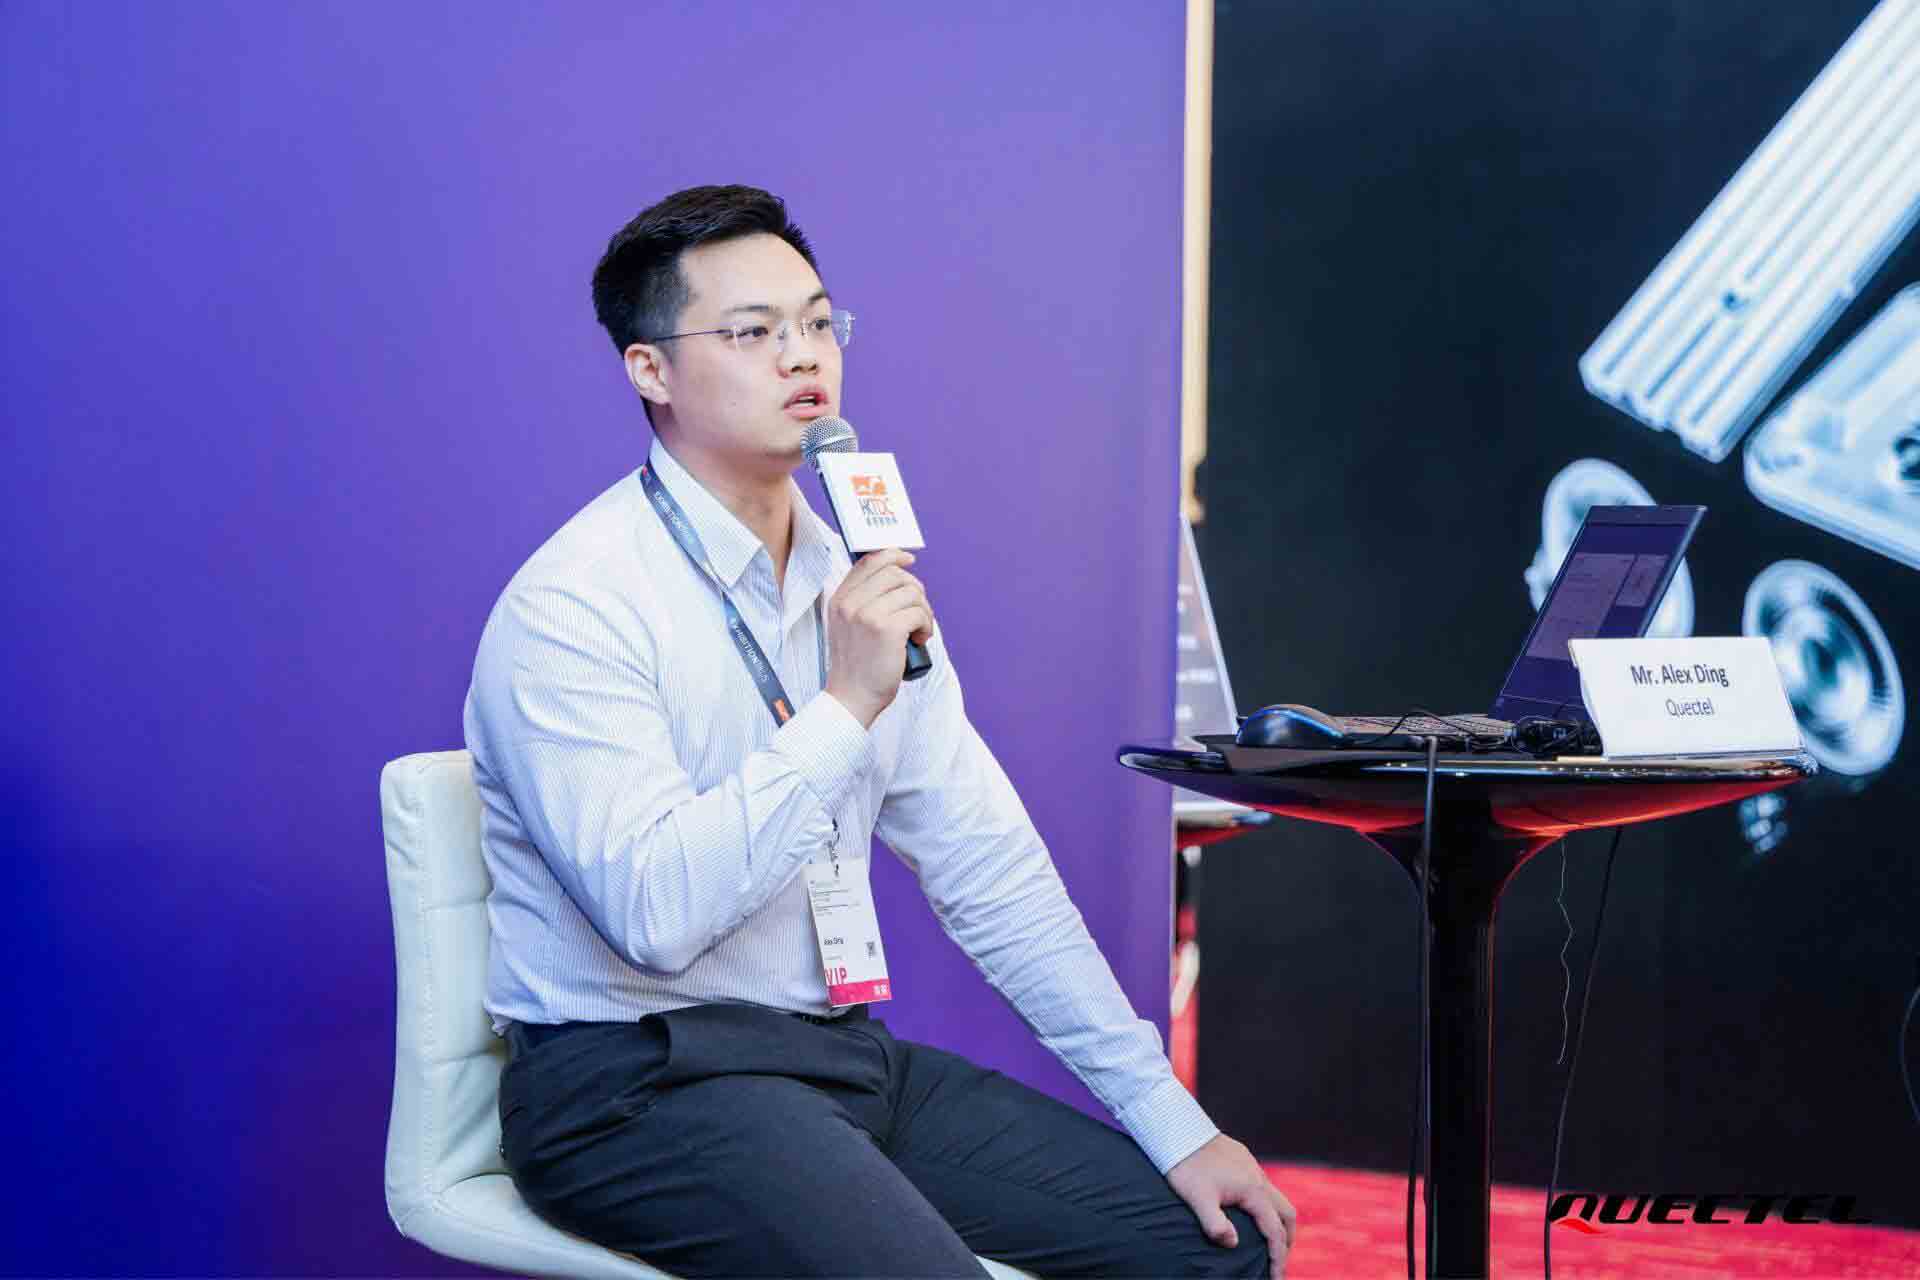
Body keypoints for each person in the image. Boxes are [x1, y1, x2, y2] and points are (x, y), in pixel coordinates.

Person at [464, 184, 1295, 1279]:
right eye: (752, 332)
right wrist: (844, 707)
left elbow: (989, 868)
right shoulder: (576, 604)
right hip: (637, 1084)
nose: (802, 354)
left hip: (839, 1061)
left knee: (1213, 1251)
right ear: (650, 370)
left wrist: (1171, 1118)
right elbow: (654, 916)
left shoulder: (856, 579)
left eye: (818, 322)